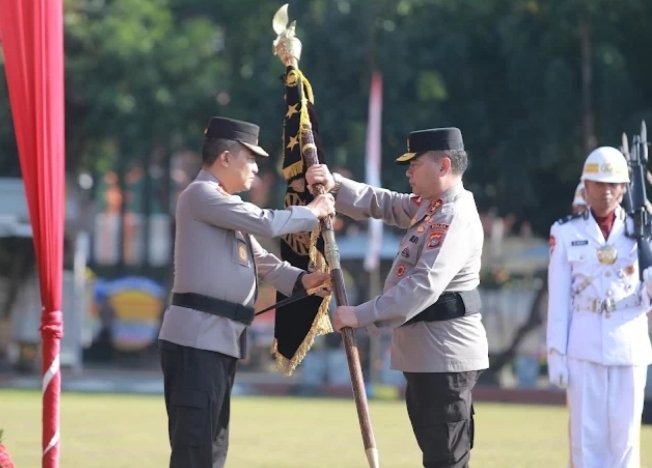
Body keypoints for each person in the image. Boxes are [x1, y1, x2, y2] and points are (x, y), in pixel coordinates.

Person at [158, 116, 335, 468]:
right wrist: (313, 211)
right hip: (197, 341)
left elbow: (263, 262)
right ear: (225, 158)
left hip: (216, 341)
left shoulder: (223, 206)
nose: (254, 168)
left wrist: (304, 280)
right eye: (250, 158)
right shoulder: (201, 194)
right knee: (195, 450)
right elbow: (265, 222)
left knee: (213, 449)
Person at [307, 127, 489, 468]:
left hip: (445, 355)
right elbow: (387, 204)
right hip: (426, 354)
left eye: (414, 164)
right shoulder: (433, 207)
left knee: (446, 460)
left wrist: (359, 315)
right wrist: (336, 185)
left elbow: (423, 285)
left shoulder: (453, 216)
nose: (408, 172)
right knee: (436, 455)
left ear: (443, 166)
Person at [547, 146, 652, 468]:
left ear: (624, 188)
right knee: (585, 439)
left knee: (626, 440)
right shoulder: (565, 232)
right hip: (584, 342)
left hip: (629, 341)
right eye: (598, 184)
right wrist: (556, 353)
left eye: (613, 185)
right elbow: (559, 298)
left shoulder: (642, 230)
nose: (605, 192)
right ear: (586, 186)